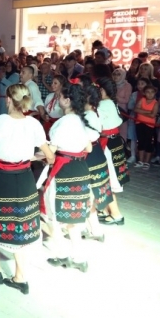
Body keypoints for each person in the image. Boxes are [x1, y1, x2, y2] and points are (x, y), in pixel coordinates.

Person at [0, 84, 54, 295]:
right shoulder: (35, 124)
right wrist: (31, 156)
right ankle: (20, 276)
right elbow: (50, 156)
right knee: (20, 224)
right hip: (25, 178)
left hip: (3, 178)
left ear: (8, 99)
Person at [42, 80, 93, 272]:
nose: (58, 98)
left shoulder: (62, 123)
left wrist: (35, 154)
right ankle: (78, 257)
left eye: (60, 96)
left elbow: (51, 153)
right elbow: (87, 147)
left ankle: (62, 254)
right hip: (80, 169)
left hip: (63, 170)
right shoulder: (82, 120)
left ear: (67, 100)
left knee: (54, 215)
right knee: (74, 217)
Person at [78, 77, 114, 238]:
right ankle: (90, 228)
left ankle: (94, 229)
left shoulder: (87, 115)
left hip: (89, 155)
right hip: (96, 153)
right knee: (90, 194)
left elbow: (85, 139)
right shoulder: (93, 113)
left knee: (89, 194)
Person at [95, 77, 128, 226]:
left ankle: (116, 214)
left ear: (102, 90)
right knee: (107, 178)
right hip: (113, 142)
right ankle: (104, 209)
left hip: (108, 143)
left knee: (107, 179)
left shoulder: (103, 104)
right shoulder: (112, 103)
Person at [134, 85, 158, 169]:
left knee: (148, 142)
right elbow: (136, 109)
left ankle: (147, 162)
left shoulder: (155, 103)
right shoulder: (142, 99)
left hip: (149, 125)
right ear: (144, 93)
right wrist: (148, 112)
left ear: (155, 93)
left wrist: (142, 112)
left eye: (152, 92)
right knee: (140, 141)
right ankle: (140, 160)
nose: (150, 94)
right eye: (148, 92)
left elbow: (153, 115)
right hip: (139, 123)